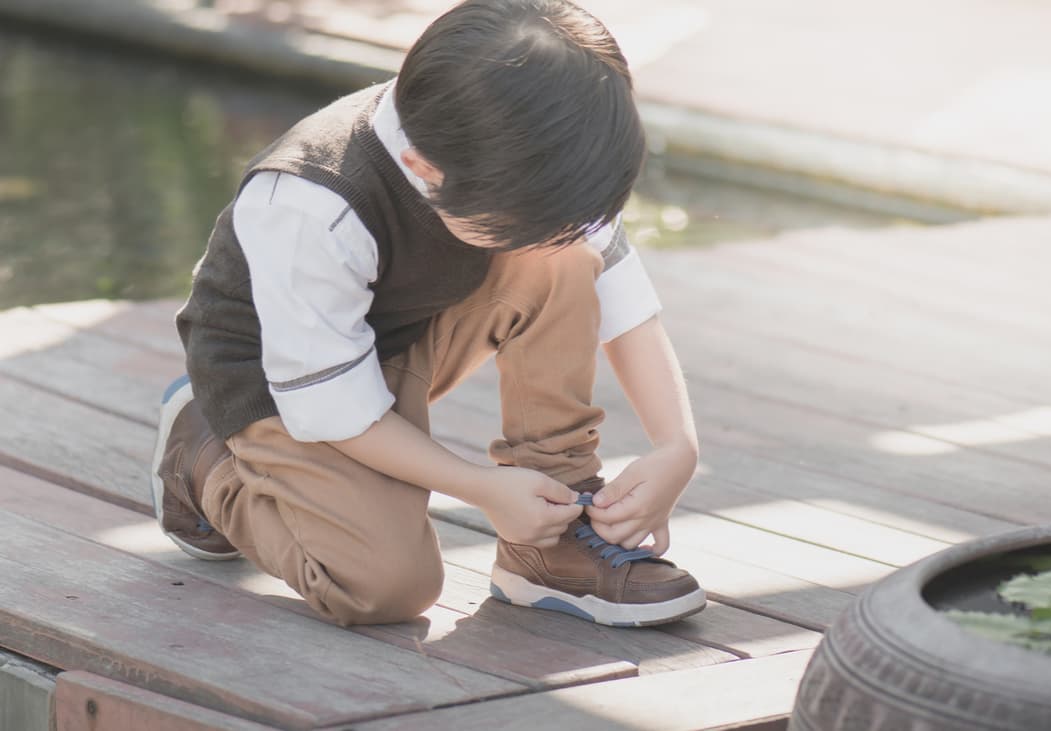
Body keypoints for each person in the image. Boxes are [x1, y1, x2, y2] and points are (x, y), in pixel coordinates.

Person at [150, 0, 705, 628]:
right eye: (520, 229)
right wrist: (481, 487)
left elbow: (623, 298)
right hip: (279, 385)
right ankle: (201, 460)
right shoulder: (311, 199)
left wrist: (677, 447)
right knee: (383, 587)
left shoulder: (531, 145)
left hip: (409, 334)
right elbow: (332, 403)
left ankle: (549, 539)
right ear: (423, 170)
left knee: (566, 259)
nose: (558, 234)